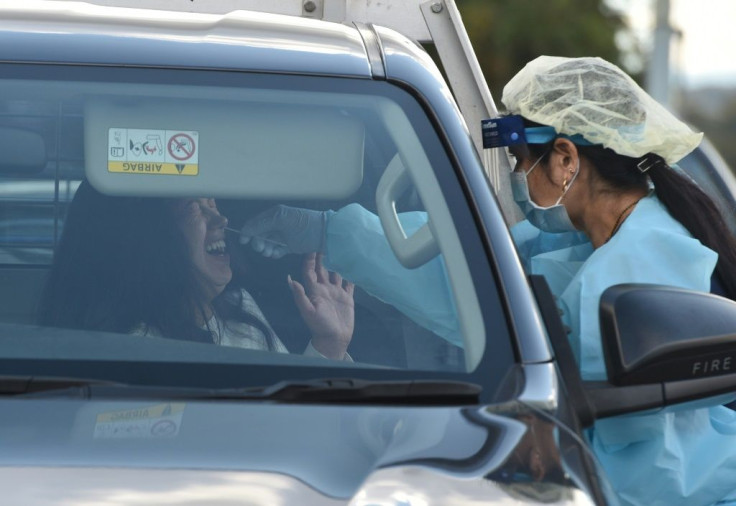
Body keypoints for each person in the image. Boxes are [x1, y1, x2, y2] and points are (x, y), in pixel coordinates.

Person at [238, 56, 736, 505]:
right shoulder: (590, 242)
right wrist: (323, 231)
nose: (519, 179)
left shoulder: (649, 259)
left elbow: (622, 419)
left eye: (523, 162)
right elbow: (468, 277)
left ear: (566, 159)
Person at [38, 181, 354, 361]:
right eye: (195, 208)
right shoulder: (134, 350)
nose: (221, 221)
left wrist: (329, 343)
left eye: (213, 203)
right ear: (147, 240)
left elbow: (292, 421)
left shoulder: (238, 308)